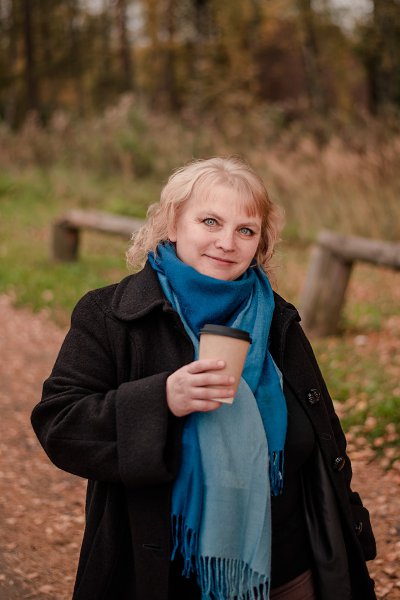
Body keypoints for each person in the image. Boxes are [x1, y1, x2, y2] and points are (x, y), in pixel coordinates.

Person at [31, 156, 377, 600]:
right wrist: (162, 399)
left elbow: (326, 435)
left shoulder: (277, 319)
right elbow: (60, 424)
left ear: (260, 243)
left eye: (245, 230)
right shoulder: (110, 315)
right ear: (173, 223)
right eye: (210, 221)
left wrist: (353, 532)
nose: (226, 243)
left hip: (292, 571)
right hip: (163, 576)